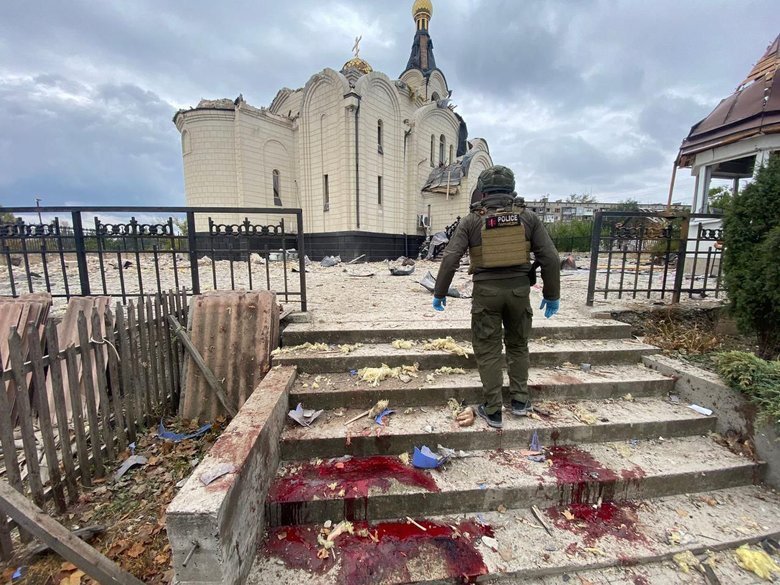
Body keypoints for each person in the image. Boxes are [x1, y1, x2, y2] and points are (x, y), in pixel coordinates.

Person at [432, 165, 561, 429]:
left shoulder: (472, 220)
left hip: (486, 294)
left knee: (488, 350)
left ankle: (492, 410)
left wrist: (440, 292)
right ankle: (520, 402)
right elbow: (549, 257)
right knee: (518, 345)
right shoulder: (528, 218)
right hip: (518, 293)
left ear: (483, 190)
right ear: (511, 189)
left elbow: (451, 257)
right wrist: (551, 294)